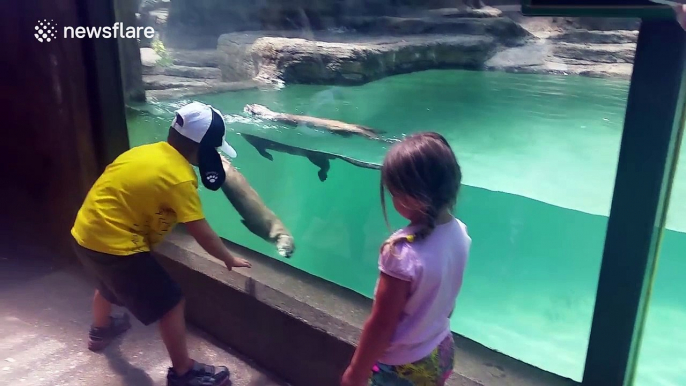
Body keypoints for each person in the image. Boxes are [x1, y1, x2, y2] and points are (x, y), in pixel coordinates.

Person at [71, 101, 251, 386]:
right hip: (118, 247)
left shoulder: (144, 152)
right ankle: (183, 372)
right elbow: (200, 230)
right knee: (171, 302)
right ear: (202, 150)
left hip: (85, 235)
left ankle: (101, 330)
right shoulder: (180, 178)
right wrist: (226, 257)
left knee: (107, 285)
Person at [341, 132, 471, 386]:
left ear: (409, 197)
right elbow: (448, 301)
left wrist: (356, 371)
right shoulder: (460, 232)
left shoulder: (400, 253)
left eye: (393, 192)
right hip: (441, 350)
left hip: (403, 367)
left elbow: (382, 325)